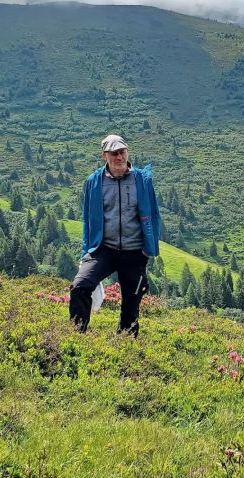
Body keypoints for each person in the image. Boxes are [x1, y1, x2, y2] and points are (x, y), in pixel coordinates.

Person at [69, 134, 162, 336]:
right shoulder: (94, 182)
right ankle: (75, 337)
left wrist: (149, 249)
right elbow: (89, 220)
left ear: (127, 152)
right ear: (104, 155)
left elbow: (153, 214)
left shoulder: (142, 180)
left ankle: (125, 347)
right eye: (114, 153)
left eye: (122, 152)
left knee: (131, 303)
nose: (119, 157)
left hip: (134, 251)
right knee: (80, 286)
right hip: (103, 249)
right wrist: (86, 253)